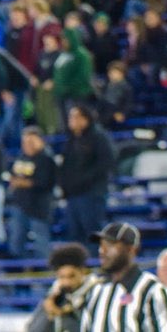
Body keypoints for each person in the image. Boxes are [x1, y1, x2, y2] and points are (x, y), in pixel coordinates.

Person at [59, 105, 115, 245]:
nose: (72, 120)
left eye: (76, 117)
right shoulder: (71, 140)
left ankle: (97, 263)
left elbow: (105, 163)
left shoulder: (98, 137)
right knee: (74, 234)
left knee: (92, 232)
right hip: (73, 195)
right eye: (71, 117)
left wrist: (84, 180)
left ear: (85, 119)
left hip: (91, 193)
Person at [7, 126, 56, 261]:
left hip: (39, 207)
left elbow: (44, 182)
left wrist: (23, 183)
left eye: (31, 142)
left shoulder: (47, 158)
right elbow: (12, 177)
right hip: (20, 205)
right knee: (16, 242)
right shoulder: (21, 157)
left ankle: (44, 273)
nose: (28, 145)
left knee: (41, 243)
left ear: (41, 141)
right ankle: (20, 273)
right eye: (25, 142)